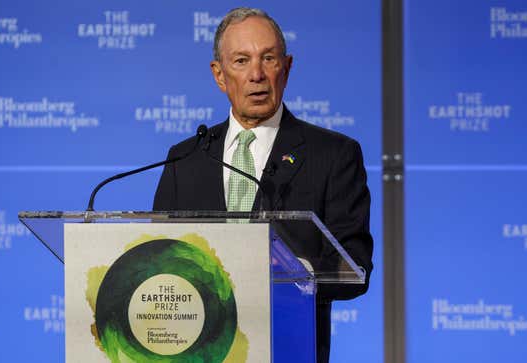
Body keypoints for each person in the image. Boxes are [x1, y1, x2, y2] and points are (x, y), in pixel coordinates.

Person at [154, 7, 373, 363]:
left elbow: (355, 269)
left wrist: (288, 271)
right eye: (241, 60)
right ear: (219, 75)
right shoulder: (185, 159)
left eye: (267, 58)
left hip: (286, 349)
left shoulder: (333, 155)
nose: (256, 74)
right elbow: (159, 261)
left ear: (286, 69)